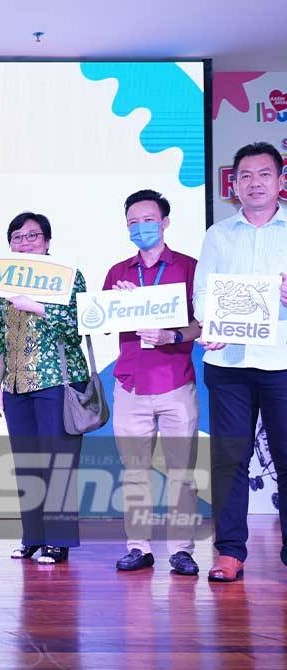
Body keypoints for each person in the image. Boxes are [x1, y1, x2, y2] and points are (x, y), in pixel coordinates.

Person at [194, 142, 287, 582]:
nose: (254, 183)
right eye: (245, 175)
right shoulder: (218, 234)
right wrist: (208, 321)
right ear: (234, 184)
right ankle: (229, 552)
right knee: (229, 459)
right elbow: (202, 294)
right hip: (228, 363)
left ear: (280, 181)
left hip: (282, 361)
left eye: (264, 174)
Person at [104, 190, 202, 576]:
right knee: (135, 473)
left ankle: (181, 550)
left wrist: (173, 337)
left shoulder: (189, 267)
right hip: (130, 384)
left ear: (164, 222)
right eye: (132, 222)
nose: (140, 227)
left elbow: (202, 324)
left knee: (182, 472)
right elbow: (101, 320)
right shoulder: (118, 273)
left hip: (176, 382)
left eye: (147, 220)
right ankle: (138, 547)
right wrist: (121, 304)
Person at [0, 212, 88, 564]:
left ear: (47, 241)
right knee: (27, 464)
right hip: (16, 385)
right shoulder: (4, 283)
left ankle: (58, 542)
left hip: (57, 382)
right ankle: (32, 537)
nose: (25, 242)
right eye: (17, 236)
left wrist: (38, 308)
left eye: (32, 235)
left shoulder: (67, 277)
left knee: (57, 464)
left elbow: (79, 324)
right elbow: (0, 337)